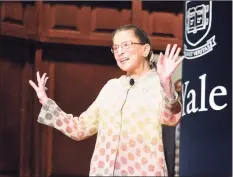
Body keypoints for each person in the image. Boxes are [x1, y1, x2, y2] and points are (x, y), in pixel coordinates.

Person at [29, 24, 184, 176]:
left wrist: (166, 85)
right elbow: (80, 129)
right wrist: (45, 102)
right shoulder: (112, 87)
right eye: (115, 48)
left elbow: (170, 118)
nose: (120, 52)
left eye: (125, 45)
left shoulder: (158, 85)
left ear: (145, 49)